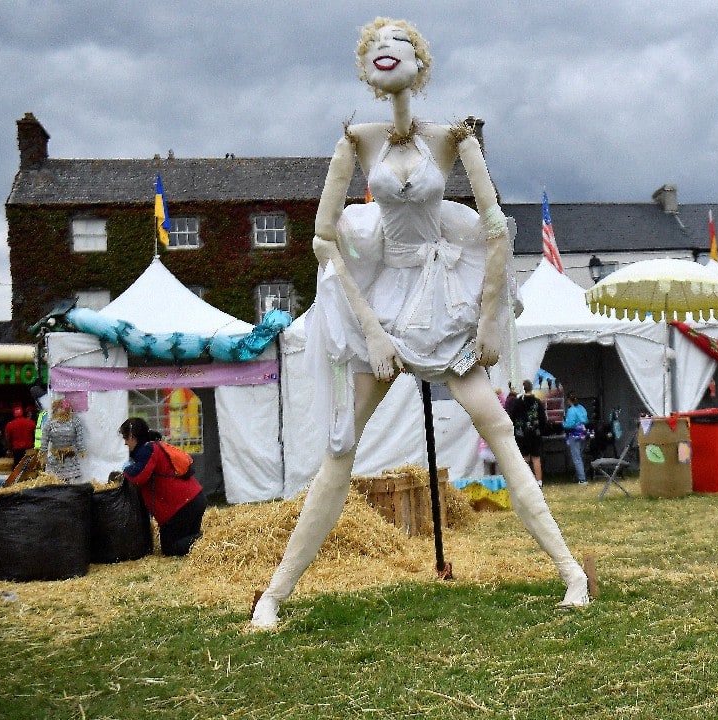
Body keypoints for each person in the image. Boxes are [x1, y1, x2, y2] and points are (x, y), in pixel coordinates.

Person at [251, 18, 590, 628]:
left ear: (420, 62)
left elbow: (494, 230)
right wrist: (373, 333)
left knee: (499, 431)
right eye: (377, 47)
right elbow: (324, 243)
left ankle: (570, 571)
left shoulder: (452, 138)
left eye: (399, 45)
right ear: (365, 65)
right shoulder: (357, 141)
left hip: (445, 300)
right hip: (384, 300)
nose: (387, 53)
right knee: (341, 448)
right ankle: (275, 592)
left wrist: (490, 321)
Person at [119, 417, 206, 557]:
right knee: (186, 541)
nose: (125, 442)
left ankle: (209, 541)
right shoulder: (153, 446)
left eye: (125, 438)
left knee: (171, 548)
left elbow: (139, 476)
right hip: (193, 499)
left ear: (132, 436)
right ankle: (207, 541)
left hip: (183, 505)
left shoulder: (148, 450)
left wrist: (126, 470)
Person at [508, 379, 549, 486]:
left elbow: (512, 418)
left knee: (524, 458)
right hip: (535, 434)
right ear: (531, 388)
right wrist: (541, 430)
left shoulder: (518, 403)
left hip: (521, 434)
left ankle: (525, 482)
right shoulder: (537, 402)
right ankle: (539, 481)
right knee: (536, 458)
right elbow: (543, 420)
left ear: (523, 389)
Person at [43, 399, 87, 483]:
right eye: (60, 407)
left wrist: (81, 449)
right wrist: (43, 452)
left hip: (69, 455)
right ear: (55, 409)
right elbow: (45, 438)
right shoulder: (50, 423)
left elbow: (79, 437)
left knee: (71, 478)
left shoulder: (75, 421)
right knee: (56, 478)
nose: (62, 409)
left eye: (64, 407)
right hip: (56, 455)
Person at [562, 392, 589, 484]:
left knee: (576, 457)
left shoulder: (571, 410)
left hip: (574, 434)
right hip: (583, 434)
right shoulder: (582, 408)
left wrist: (563, 424)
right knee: (581, 456)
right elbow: (586, 420)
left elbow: (569, 424)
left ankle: (582, 479)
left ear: (569, 400)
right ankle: (581, 475)